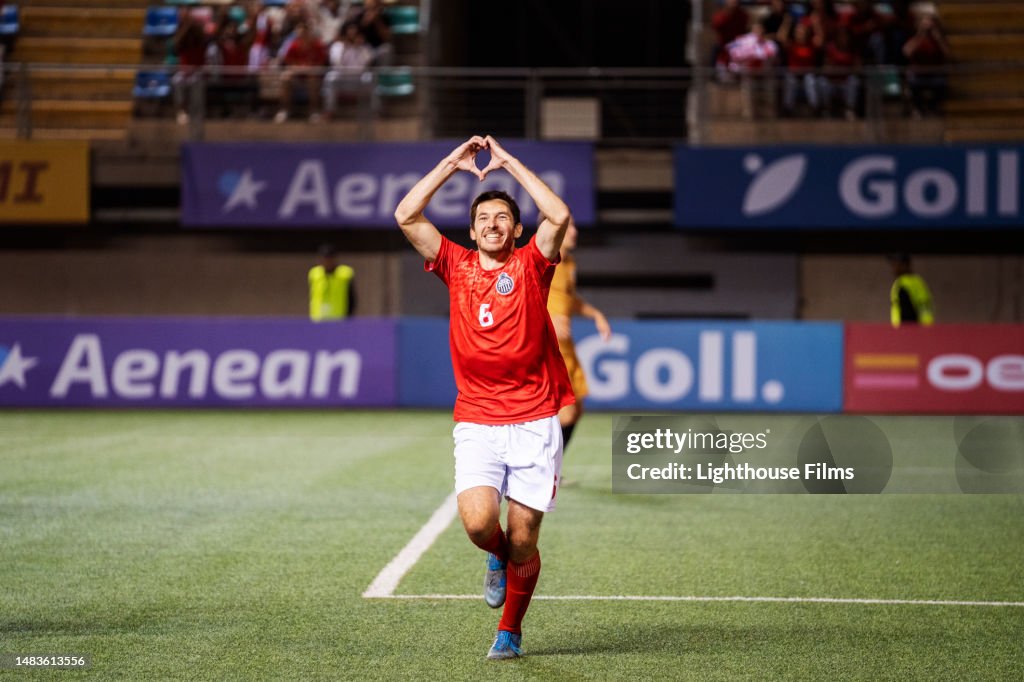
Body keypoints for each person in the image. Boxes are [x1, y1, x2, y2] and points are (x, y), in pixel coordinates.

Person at [394, 136, 574, 661]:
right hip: (477, 419)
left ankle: (510, 629)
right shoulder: (455, 265)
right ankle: (495, 558)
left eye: (501, 218)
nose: (492, 225)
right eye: (482, 219)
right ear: (471, 231)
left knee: (525, 538)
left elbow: (558, 213)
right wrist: (454, 163)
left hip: (535, 420)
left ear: (516, 230)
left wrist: (509, 163)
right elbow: (407, 215)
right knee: (479, 526)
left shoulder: (532, 265)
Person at [546, 220, 610, 453]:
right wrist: (546, 320)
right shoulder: (542, 261)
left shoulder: (568, 263)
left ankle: (552, 467)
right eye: (569, 227)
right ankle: (542, 466)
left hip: (567, 347)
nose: (575, 231)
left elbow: (569, 300)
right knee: (566, 413)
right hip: (548, 346)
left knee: (577, 409)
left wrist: (595, 314)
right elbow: (522, 296)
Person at [308, 244, 355, 321]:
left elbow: (351, 299)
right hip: (318, 320)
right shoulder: (314, 274)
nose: (327, 261)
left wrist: (348, 319)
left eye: (329, 258)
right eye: (325, 258)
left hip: (338, 320)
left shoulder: (345, 274)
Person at [889, 253, 934, 327]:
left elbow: (907, 313)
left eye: (895, 264)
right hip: (925, 328)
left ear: (905, 265)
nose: (894, 268)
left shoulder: (903, 284)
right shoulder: (918, 281)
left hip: (908, 331)